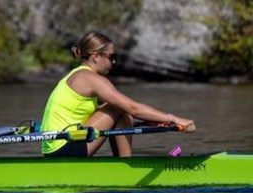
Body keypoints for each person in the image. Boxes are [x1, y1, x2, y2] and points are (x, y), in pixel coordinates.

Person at [40, 31, 195, 157]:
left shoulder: (75, 75)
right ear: (96, 56)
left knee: (122, 111)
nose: (113, 62)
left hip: (55, 148)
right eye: (111, 57)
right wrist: (172, 118)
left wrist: (153, 120)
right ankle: (125, 167)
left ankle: (123, 163)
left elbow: (124, 116)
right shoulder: (90, 79)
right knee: (119, 107)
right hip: (64, 148)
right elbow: (133, 108)